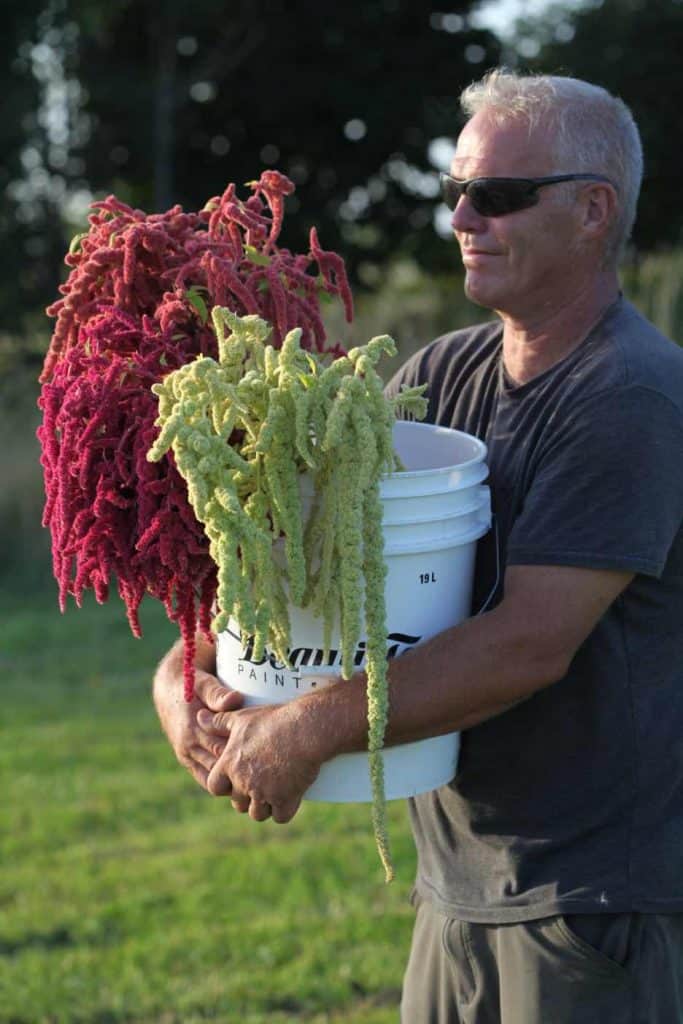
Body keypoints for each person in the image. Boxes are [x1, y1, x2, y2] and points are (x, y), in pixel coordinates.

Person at [153, 69, 683, 1022]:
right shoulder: (444, 372)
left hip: (588, 901)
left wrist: (306, 730)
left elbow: (530, 642)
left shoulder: (629, 397)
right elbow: (319, 555)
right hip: (460, 883)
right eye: (456, 193)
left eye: (499, 196)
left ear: (594, 211)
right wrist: (191, 673)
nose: (463, 218)